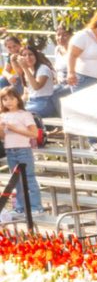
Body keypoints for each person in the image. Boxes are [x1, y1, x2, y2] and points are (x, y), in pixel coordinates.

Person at [0, 90, 41, 223]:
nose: (8, 102)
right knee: (15, 180)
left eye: (12, 98)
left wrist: (15, 129)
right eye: (5, 99)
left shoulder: (25, 114)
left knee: (29, 178)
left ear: (18, 99)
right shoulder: (2, 115)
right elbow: (3, 137)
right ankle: (20, 207)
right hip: (10, 150)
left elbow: (34, 134)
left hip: (23, 149)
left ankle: (35, 207)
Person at [11, 46, 57, 122]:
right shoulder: (28, 70)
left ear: (36, 56)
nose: (28, 57)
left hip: (44, 103)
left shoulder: (43, 68)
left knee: (18, 116)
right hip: (31, 102)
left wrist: (24, 68)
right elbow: (26, 94)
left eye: (31, 54)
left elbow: (36, 86)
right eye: (24, 55)